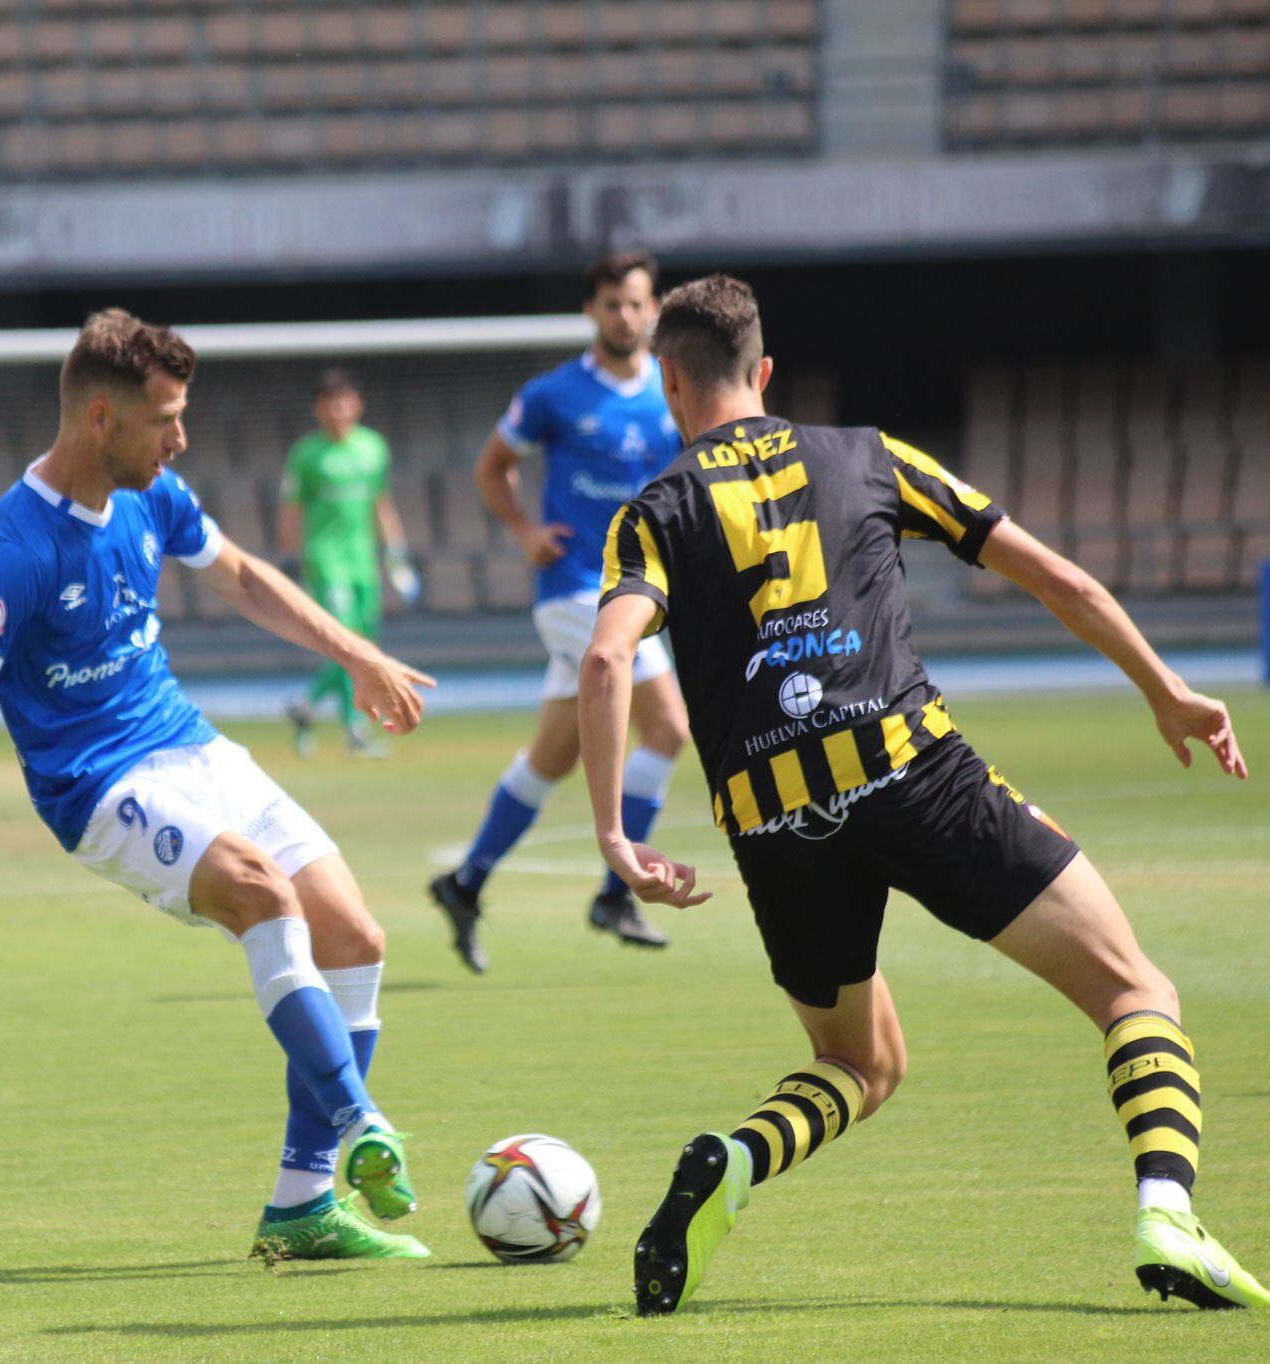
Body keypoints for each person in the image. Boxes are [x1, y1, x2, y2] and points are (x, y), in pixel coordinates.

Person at [586, 273, 1264, 1316]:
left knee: (857, 1060)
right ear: (763, 372)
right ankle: (1166, 1209)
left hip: (771, 821)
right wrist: (1163, 688)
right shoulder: (864, 453)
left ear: (667, 380)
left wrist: (612, 834)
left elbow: (603, 663)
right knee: (1134, 988)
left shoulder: (652, 511)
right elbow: (1056, 579)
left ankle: (731, 1158)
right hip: (910, 774)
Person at [0, 310, 438, 1261]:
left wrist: (359, 655)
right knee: (262, 893)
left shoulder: (153, 491)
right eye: (165, 418)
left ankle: (303, 1204)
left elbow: (242, 576)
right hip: (97, 784)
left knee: (355, 934)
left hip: (189, 745)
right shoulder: (18, 549)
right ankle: (362, 1118)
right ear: (98, 420)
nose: (181, 437)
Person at [429, 251, 690, 971]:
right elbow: (492, 467)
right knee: (668, 724)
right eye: (612, 304)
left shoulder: (668, 397)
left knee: (554, 755)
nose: (625, 316)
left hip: (633, 590)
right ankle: (617, 890)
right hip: (578, 587)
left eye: (637, 303)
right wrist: (523, 530)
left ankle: (465, 881)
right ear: (591, 310)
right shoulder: (552, 394)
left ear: (654, 308)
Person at [279, 368, 421, 758]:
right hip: (326, 562)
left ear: (357, 404)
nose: (338, 409)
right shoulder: (307, 454)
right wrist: (289, 555)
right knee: (348, 644)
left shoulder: (373, 448)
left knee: (364, 645)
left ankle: (305, 706)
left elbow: (382, 503)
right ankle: (355, 730)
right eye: (330, 401)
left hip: (364, 563)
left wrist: (395, 550)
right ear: (318, 408)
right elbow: (291, 510)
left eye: (344, 400)